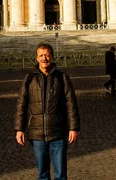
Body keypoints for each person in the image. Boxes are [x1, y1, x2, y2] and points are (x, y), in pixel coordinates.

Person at [15, 43, 80, 180]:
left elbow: (71, 104)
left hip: (59, 132)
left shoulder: (62, 78)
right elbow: (22, 105)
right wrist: (19, 129)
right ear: (37, 58)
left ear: (52, 57)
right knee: (42, 175)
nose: (44, 58)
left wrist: (73, 128)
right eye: (41, 56)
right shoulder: (29, 79)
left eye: (47, 55)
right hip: (37, 134)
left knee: (61, 175)